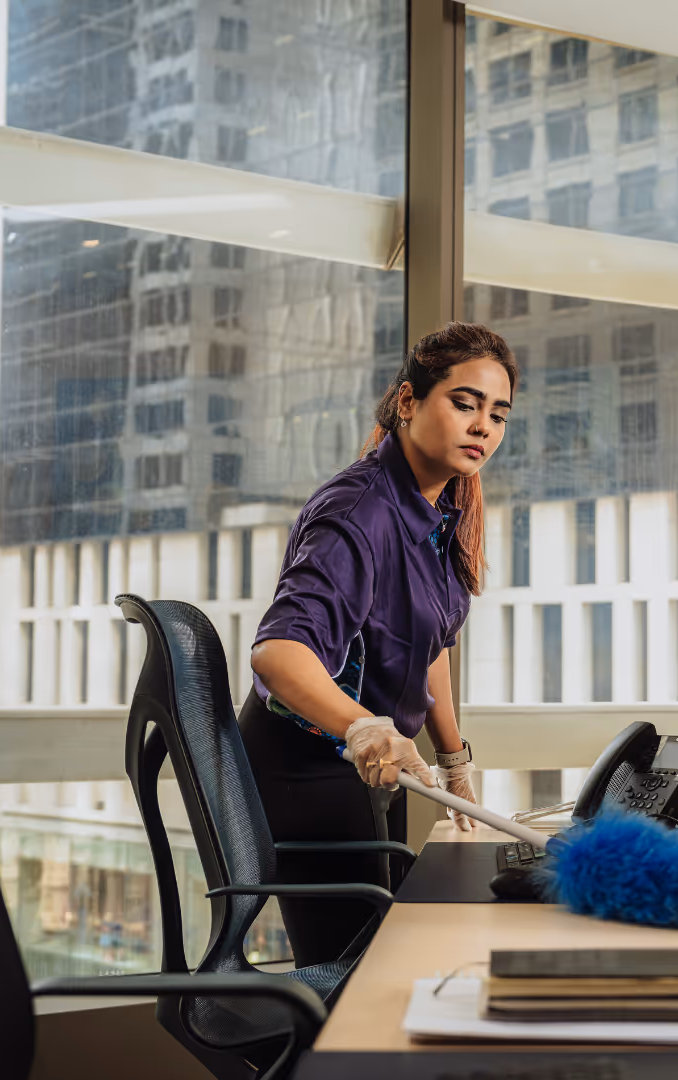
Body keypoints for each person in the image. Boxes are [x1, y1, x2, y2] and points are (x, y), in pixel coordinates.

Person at [239, 322, 516, 967]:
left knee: (391, 953)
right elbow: (279, 653)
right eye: (464, 403)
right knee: (363, 975)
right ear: (408, 403)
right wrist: (363, 727)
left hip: (368, 763)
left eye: (498, 415)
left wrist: (454, 760)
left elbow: (430, 651)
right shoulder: (358, 510)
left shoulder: (433, 511)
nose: (483, 427)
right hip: (306, 765)